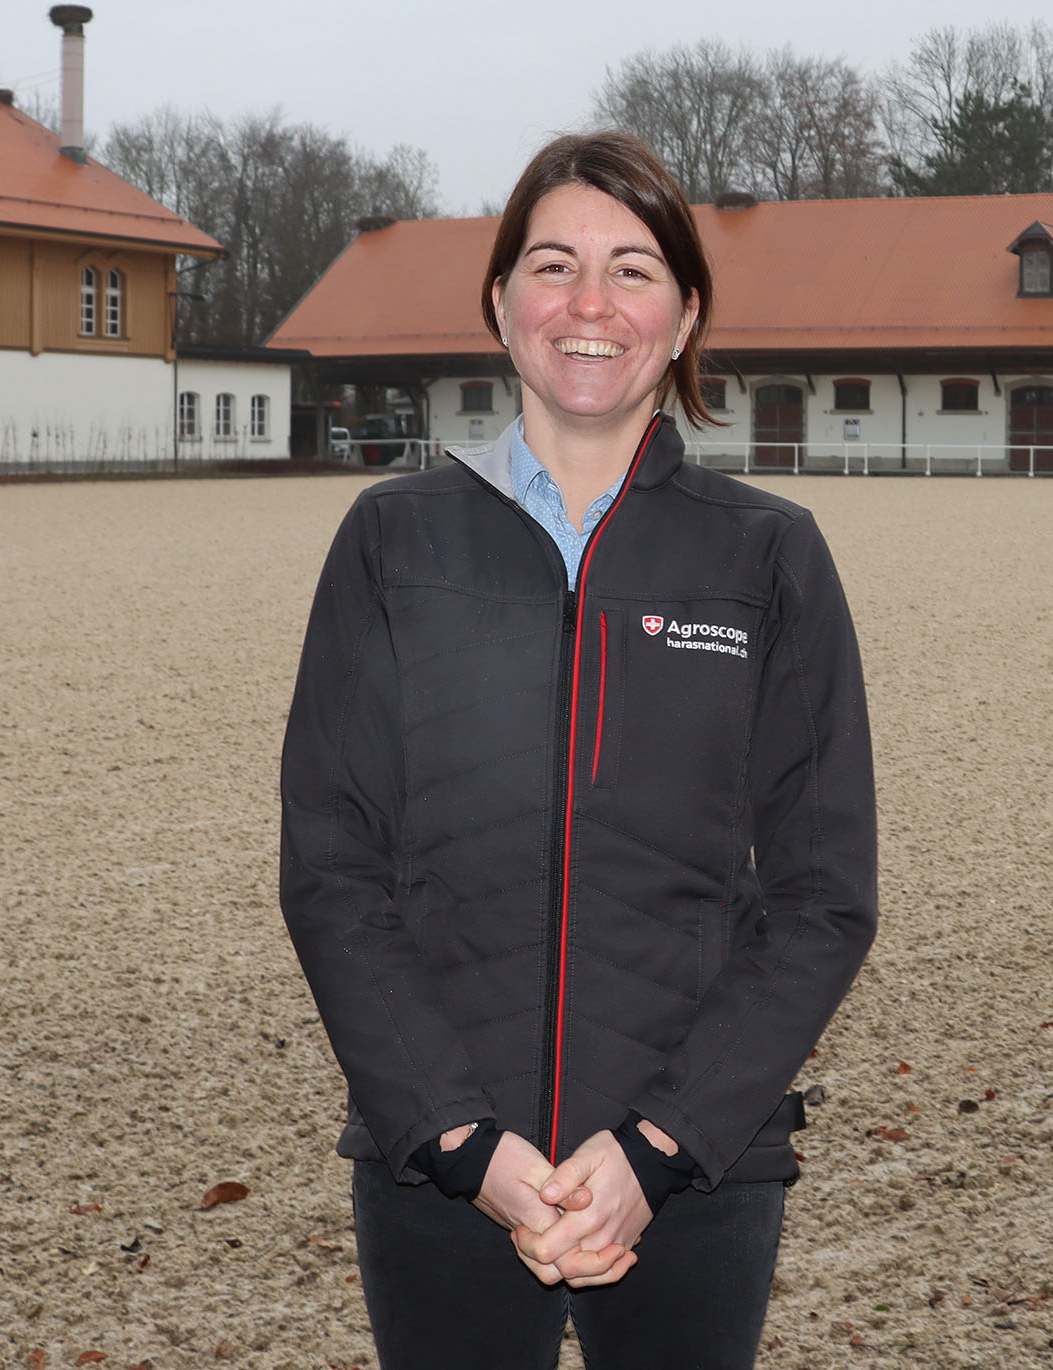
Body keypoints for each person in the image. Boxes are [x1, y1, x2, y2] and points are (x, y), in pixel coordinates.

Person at [280, 131, 878, 1370]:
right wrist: (462, 1143)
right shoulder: (393, 541)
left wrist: (656, 1149)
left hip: (695, 1178)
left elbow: (822, 899)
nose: (591, 305)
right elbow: (334, 869)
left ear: (687, 311)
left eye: (635, 270)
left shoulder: (769, 559)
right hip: (442, 1173)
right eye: (553, 266)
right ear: (501, 304)